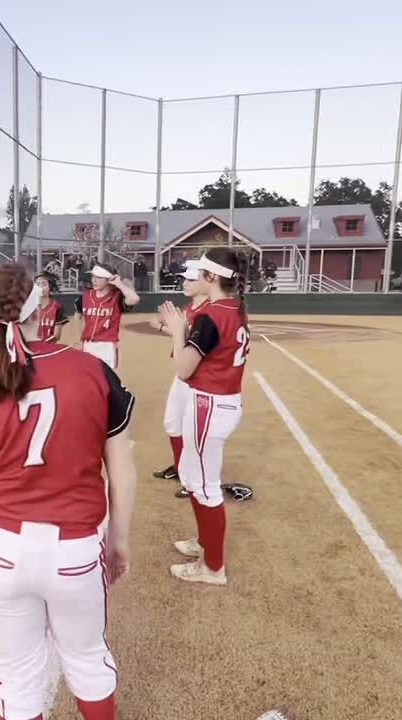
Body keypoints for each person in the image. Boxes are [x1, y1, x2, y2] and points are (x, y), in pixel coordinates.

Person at [0, 263, 137, 720]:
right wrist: (117, 542)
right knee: (88, 661)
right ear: (40, 305)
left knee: (18, 675)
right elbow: (122, 473)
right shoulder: (93, 371)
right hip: (75, 550)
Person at [156, 247, 250, 585]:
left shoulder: (213, 315)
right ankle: (206, 544)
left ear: (210, 277)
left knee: (204, 487)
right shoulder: (232, 306)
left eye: (200, 273)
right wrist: (182, 328)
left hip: (209, 404)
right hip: (218, 402)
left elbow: (183, 370)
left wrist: (179, 330)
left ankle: (213, 567)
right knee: (197, 481)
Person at [150, 260, 208, 488]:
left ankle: (193, 479)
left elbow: (193, 342)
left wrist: (165, 328)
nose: (185, 283)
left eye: (192, 279)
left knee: (193, 431)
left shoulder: (208, 312)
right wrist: (167, 327)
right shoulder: (189, 309)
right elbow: (181, 338)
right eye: (185, 278)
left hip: (199, 379)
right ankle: (179, 467)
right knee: (172, 423)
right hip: (183, 375)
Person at [75, 263, 139, 369]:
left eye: (99, 277)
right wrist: (79, 339)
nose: (94, 280)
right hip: (87, 344)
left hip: (107, 346)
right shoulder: (86, 296)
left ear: (108, 279)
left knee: (106, 380)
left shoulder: (117, 297)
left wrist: (119, 283)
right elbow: (77, 316)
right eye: (93, 276)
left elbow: (135, 299)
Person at [34, 272, 69, 343]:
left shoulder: (57, 307)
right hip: (30, 348)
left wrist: (43, 343)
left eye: (44, 284)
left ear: (50, 287)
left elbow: (56, 336)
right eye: (37, 284)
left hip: (49, 347)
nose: (40, 287)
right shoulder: (27, 307)